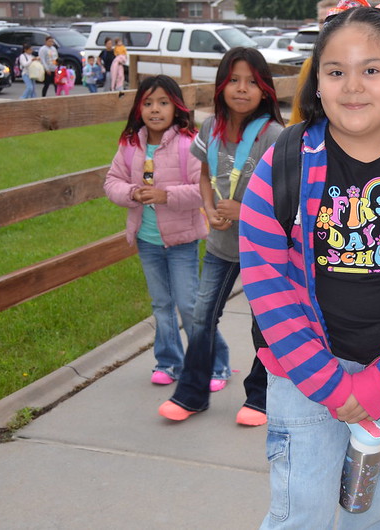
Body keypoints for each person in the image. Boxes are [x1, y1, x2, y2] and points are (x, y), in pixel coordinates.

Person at [239, 3, 380, 527]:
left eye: (372, 70)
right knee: (302, 514)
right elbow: (265, 284)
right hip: (303, 381)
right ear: (316, 81)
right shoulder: (285, 163)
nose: (353, 87)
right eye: (336, 71)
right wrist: (329, 383)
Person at [158, 47, 285, 427]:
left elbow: (285, 196)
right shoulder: (210, 127)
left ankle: (261, 398)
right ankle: (191, 394)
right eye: (234, 80)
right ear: (221, 86)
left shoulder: (274, 135)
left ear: (265, 89)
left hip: (264, 249)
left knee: (263, 322)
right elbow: (202, 174)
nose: (242, 89)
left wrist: (243, 211)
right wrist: (210, 209)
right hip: (221, 245)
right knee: (201, 317)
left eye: (251, 82)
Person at [103, 75, 207, 385]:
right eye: (148, 103)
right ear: (138, 108)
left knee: (189, 304)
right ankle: (168, 363)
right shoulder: (130, 146)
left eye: (163, 102)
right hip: (147, 240)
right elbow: (111, 182)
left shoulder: (189, 145)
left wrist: (166, 196)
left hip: (181, 241)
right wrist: (132, 193)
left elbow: (204, 190)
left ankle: (210, 361)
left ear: (177, 107)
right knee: (161, 304)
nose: (155, 109)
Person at [288, 0, 338, 126]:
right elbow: (297, 115)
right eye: (322, 21)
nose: (327, 26)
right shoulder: (309, 65)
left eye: (333, 19)